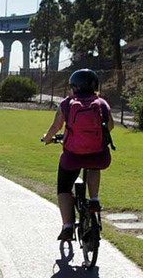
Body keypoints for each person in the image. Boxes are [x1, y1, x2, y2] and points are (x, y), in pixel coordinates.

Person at [42, 69, 115, 241]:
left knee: (64, 188)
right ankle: (94, 200)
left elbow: (55, 128)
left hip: (72, 156)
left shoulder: (67, 104)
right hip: (98, 155)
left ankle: (67, 227)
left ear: (74, 87)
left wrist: (47, 138)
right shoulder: (102, 104)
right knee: (94, 166)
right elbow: (110, 126)